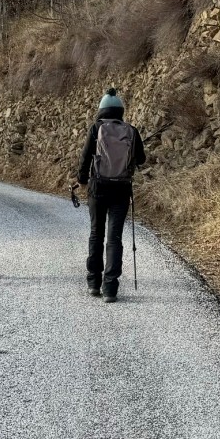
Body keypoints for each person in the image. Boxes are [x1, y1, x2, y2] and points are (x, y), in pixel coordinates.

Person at [74, 88, 146, 302]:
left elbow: (85, 158)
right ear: (121, 111)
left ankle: (93, 282)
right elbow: (141, 159)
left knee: (96, 234)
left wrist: (81, 180)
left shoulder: (96, 128)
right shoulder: (131, 130)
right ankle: (111, 288)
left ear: (101, 110)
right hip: (121, 189)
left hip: (98, 188)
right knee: (114, 237)